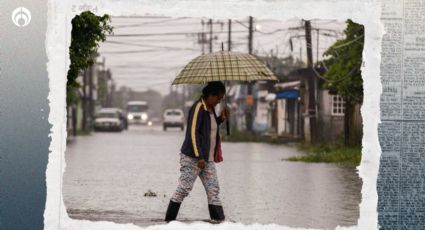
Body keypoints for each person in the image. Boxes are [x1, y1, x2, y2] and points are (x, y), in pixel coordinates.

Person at [165, 81, 229, 222]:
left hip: (208, 159)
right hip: (192, 158)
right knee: (184, 189)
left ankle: (219, 223)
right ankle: (168, 223)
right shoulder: (198, 108)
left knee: (213, 191)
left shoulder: (210, 109)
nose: (219, 102)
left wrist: (220, 119)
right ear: (210, 95)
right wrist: (199, 156)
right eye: (218, 98)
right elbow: (193, 133)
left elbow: (208, 129)